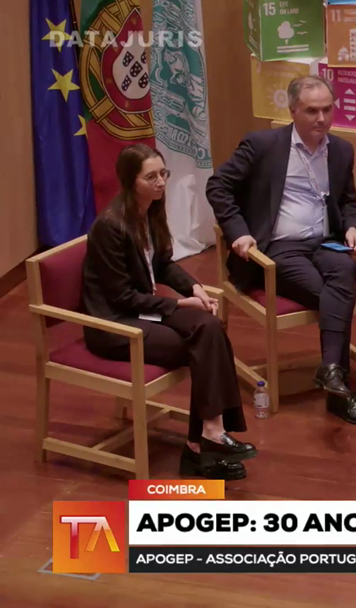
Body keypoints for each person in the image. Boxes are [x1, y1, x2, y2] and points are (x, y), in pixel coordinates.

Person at [206, 75, 356, 427]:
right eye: (312, 111)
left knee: (345, 271)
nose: (322, 118)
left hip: (324, 241)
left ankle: (331, 373)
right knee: (334, 293)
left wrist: (352, 227)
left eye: (327, 109)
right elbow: (218, 186)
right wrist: (239, 233)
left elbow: (348, 201)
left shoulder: (341, 150)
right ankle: (339, 389)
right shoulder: (262, 145)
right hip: (278, 248)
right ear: (293, 111)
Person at [82, 144, 257, 480]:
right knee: (203, 344)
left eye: (163, 173)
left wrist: (194, 288)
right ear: (130, 181)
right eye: (151, 177)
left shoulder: (150, 211)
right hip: (113, 324)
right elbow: (121, 297)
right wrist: (177, 304)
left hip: (140, 311)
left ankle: (208, 435)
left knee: (209, 327)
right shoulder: (110, 227)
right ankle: (204, 443)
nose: (161, 182)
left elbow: (161, 265)